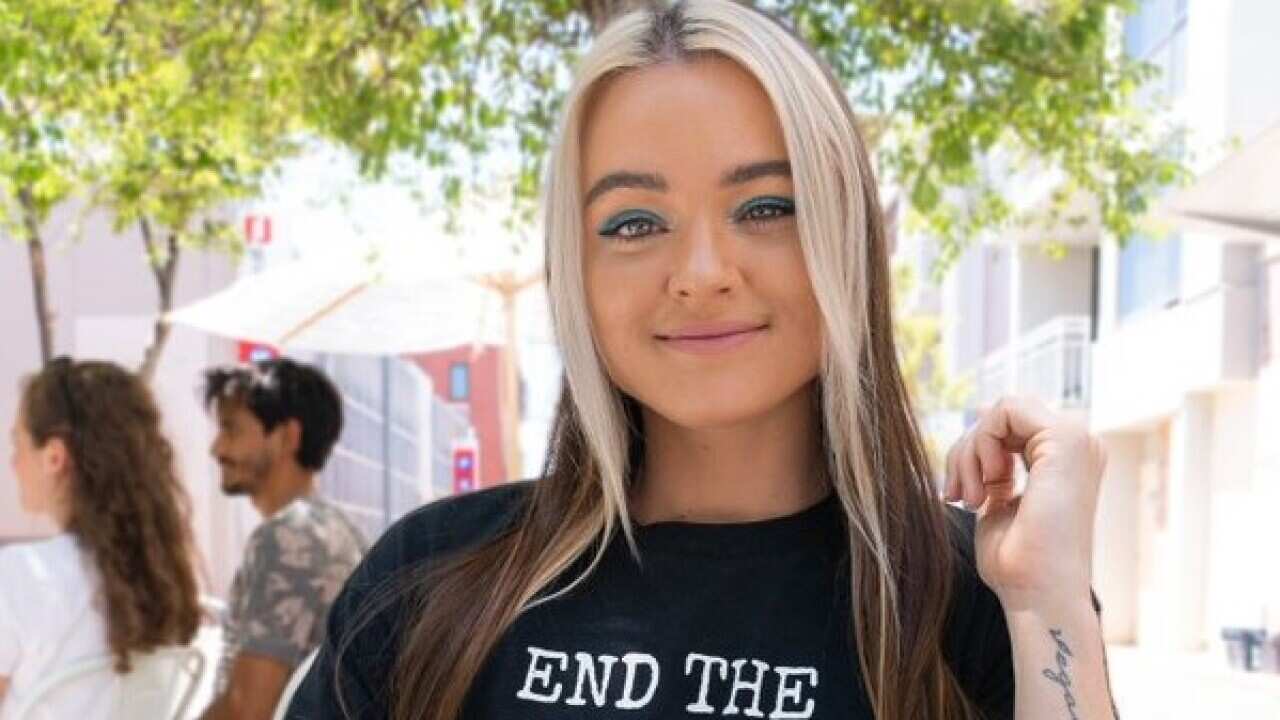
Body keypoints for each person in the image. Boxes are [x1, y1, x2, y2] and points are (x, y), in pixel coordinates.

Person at [291, 2, 1117, 719]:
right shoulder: (430, 580)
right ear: (574, 268)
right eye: (633, 223)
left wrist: (1048, 602)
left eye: (765, 207)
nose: (701, 274)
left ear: (847, 238)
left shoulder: (967, 599)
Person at [0, 358, 201, 718]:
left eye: (18, 444)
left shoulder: (19, 574)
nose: (12, 463)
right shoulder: (164, 576)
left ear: (54, 457)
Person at [200, 358, 366, 720]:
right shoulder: (339, 530)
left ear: (287, 437)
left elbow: (249, 710)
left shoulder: (289, 539)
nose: (217, 449)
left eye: (232, 430)